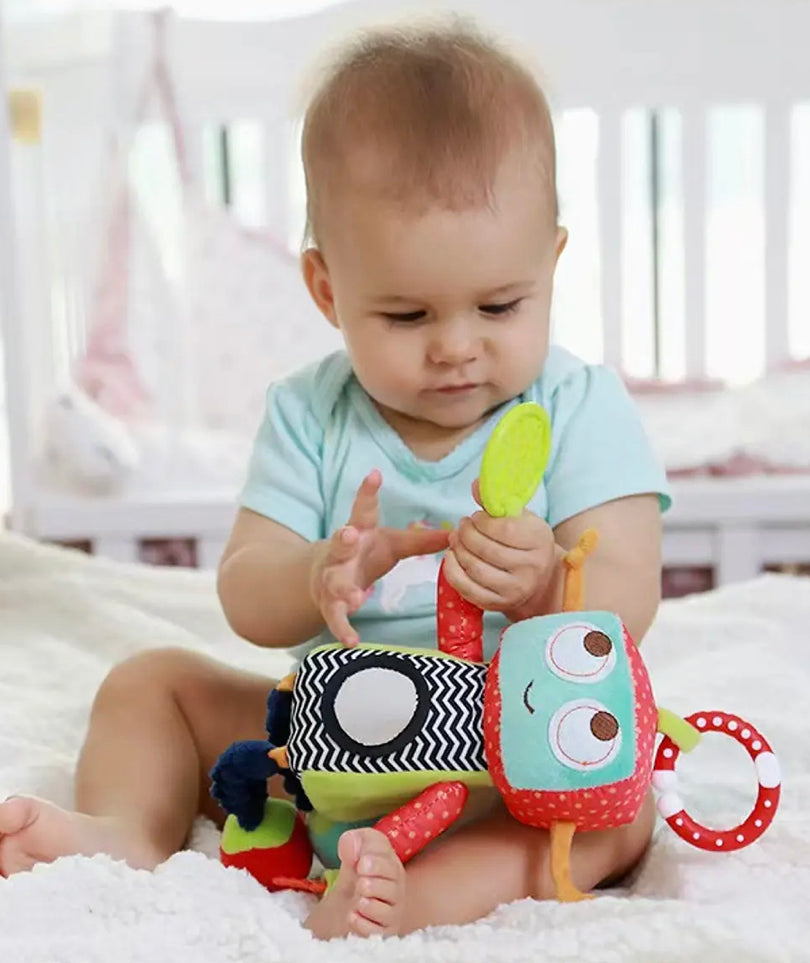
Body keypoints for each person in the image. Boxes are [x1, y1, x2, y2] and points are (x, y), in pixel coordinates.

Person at [0, 22, 670, 939]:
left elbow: (630, 592)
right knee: (149, 683)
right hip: (324, 741)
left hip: (507, 749)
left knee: (621, 812)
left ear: (551, 266)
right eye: (405, 313)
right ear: (326, 289)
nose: (457, 345)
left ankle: (419, 894)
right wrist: (318, 571)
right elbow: (245, 589)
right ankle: (129, 831)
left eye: (500, 305)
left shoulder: (580, 406)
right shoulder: (308, 414)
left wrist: (552, 582)